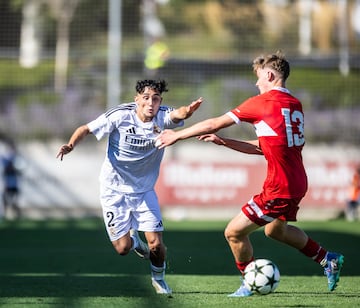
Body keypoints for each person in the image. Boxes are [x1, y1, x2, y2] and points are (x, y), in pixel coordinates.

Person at [156, 52, 344, 296]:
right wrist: (225, 143)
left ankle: (248, 281)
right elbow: (265, 147)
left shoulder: (262, 103)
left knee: (233, 232)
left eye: (258, 78)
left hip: (279, 186)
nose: (256, 84)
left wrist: (176, 135)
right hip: (297, 181)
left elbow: (214, 122)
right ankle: (327, 259)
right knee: (275, 230)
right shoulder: (293, 105)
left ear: (269, 75)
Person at [56, 79, 203, 295]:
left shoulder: (162, 116)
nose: (151, 103)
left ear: (160, 101)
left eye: (156, 98)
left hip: (144, 192)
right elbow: (86, 129)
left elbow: (178, 114)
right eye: (146, 98)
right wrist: (71, 145)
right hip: (113, 189)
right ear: (137, 100)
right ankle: (135, 242)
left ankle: (159, 279)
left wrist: (188, 111)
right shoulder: (120, 115)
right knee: (123, 248)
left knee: (156, 244)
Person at [2, 142, 21, 219]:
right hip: (7, 183)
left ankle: (14, 213)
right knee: (6, 199)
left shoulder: (16, 158)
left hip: (14, 183)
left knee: (14, 199)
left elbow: (19, 170)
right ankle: (6, 213)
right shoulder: (5, 159)